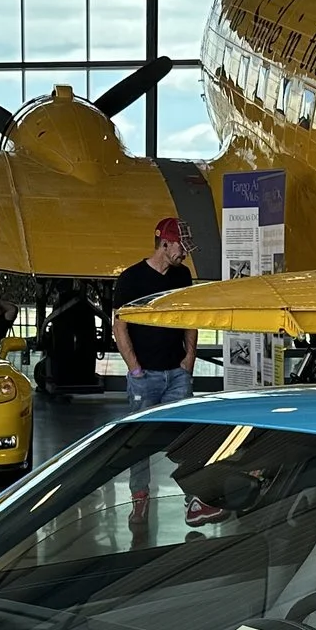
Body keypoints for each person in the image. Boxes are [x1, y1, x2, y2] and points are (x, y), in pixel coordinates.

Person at [112, 218, 199, 536]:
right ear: (165, 244)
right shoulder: (131, 279)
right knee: (139, 442)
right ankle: (139, 497)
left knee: (188, 436)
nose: (184, 253)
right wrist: (135, 369)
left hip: (177, 374)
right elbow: (119, 326)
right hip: (144, 376)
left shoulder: (182, 276)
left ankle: (194, 495)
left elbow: (190, 317)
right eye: (181, 246)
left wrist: (189, 359)